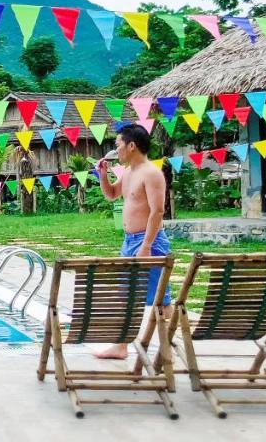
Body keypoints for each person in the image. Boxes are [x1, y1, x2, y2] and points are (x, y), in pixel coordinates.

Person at [94, 124, 171, 360]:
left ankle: (168, 349)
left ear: (131, 145)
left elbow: (157, 211)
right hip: (129, 241)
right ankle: (121, 346)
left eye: (118, 145)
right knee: (126, 295)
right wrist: (103, 175)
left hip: (150, 241)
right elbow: (111, 195)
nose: (116, 150)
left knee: (162, 300)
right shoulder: (127, 172)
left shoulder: (151, 173)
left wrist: (146, 246)